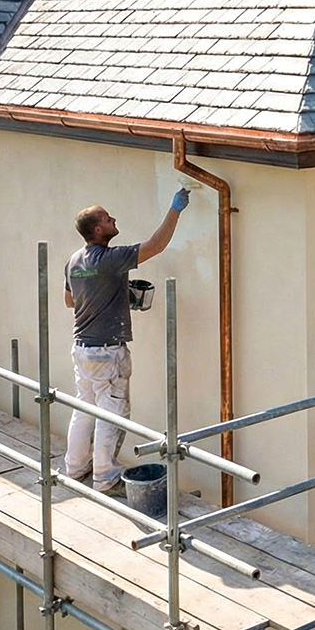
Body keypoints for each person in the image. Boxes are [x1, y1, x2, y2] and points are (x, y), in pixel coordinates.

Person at [60, 188, 190, 493]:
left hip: (82, 348)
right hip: (108, 351)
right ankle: (105, 476)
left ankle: (75, 468)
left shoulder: (75, 261)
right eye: (107, 218)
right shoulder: (110, 258)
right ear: (97, 229)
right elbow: (156, 245)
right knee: (112, 411)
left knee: (84, 409)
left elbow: (70, 301)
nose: (113, 219)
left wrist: (109, 293)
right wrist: (176, 209)